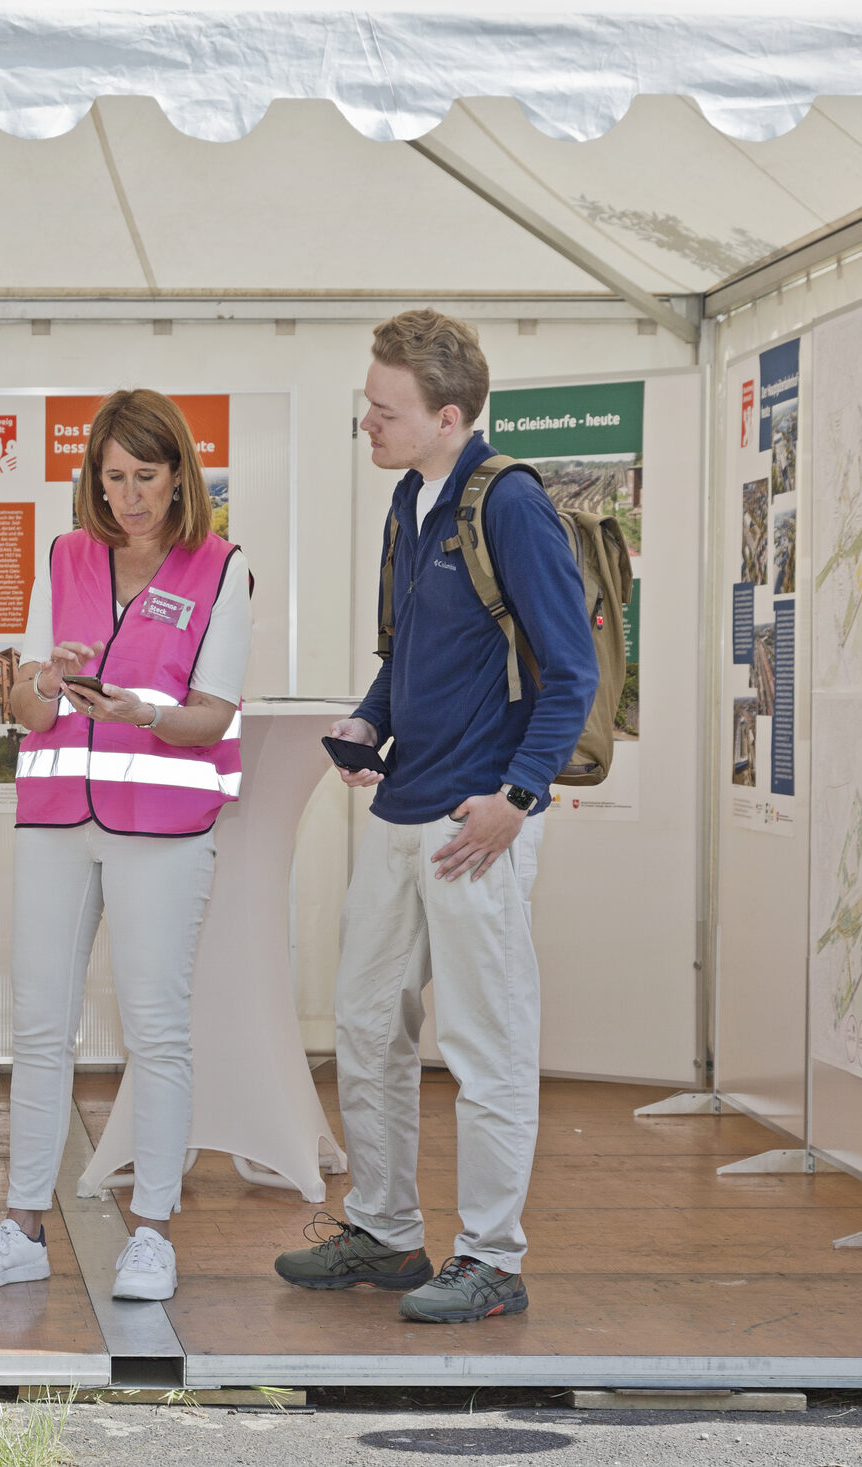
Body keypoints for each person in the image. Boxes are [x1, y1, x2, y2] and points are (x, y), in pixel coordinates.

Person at [273, 310, 594, 1322]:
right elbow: (407, 655)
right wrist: (368, 722)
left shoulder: (510, 507)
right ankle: (386, 1232)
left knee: (487, 1043)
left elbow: (571, 671)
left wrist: (517, 796)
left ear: (448, 416)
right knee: (367, 1022)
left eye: (383, 409)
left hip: (476, 818)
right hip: (400, 804)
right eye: (364, 405)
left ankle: (492, 1257)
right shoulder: (408, 504)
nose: (365, 424)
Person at [0, 389, 251, 1303]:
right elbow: (27, 708)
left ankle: (152, 1230)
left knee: (155, 1030)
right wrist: (42, 681)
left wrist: (141, 709)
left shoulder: (221, 568)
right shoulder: (65, 554)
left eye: (145, 477)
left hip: (163, 828)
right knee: (40, 1025)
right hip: (55, 821)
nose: (128, 497)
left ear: (179, 474)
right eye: (112, 477)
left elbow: (213, 716)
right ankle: (22, 1224)